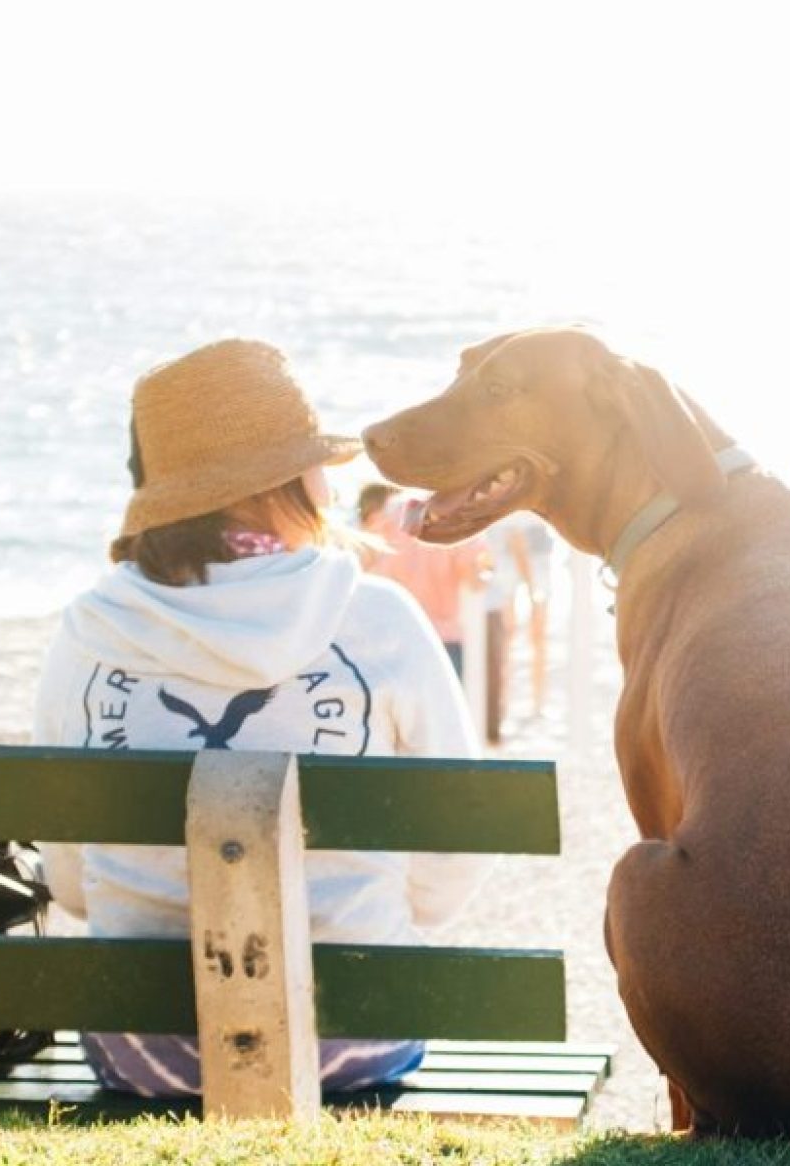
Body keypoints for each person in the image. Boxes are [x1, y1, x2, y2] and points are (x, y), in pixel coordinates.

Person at [32, 339, 489, 1097]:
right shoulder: (375, 616)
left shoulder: (90, 630)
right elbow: (457, 849)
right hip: (354, 1033)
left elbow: (73, 887)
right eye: (314, 461)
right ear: (290, 480)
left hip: (144, 1047)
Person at [363, 490, 490, 676]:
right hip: (443, 639)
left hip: (397, 636)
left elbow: (367, 562)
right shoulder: (457, 514)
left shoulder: (393, 511)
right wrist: (489, 571)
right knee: (444, 704)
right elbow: (476, 582)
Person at [481, 510, 555, 741]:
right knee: (520, 635)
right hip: (514, 545)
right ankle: (521, 702)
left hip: (526, 545)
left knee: (528, 636)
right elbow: (515, 541)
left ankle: (530, 702)